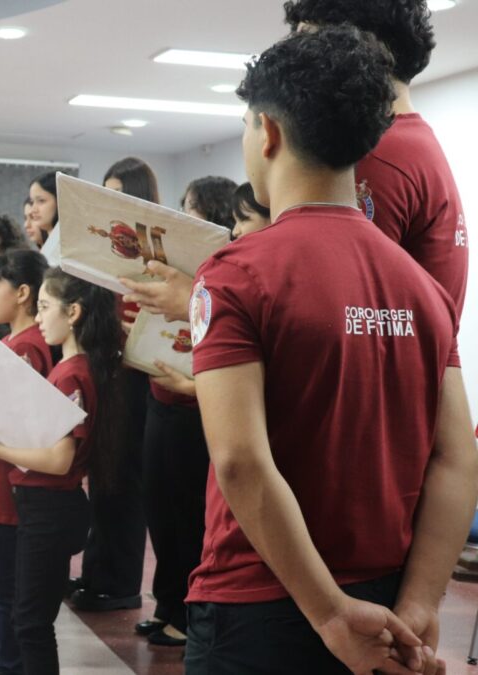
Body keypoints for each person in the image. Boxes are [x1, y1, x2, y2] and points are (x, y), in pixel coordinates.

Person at [185, 25, 475, 674]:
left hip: (263, 600)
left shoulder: (236, 272)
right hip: (387, 605)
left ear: (267, 133)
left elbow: (240, 462)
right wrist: (422, 602)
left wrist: (329, 613)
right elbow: (456, 456)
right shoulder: (423, 290)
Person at [0, 268, 121, 675]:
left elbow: (59, 460)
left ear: (73, 312)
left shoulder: (72, 372)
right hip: (45, 506)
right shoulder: (70, 366)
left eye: (45, 308)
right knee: (29, 618)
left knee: (31, 623)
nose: (37, 319)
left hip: (50, 507)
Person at [283, 0, 468, 316]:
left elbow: (340, 309)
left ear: (365, 47)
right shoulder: (411, 141)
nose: (299, 59)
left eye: (310, 41)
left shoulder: (377, 152)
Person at [134, 175, 236, 648]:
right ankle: (166, 601)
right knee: (159, 508)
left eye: (191, 209)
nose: (183, 216)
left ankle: (188, 612)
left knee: (189, 516)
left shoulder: (223, 270)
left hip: (196, 405)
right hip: (161, 399)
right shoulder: (173, 263)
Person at [68, 159, 157, 612]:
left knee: (122, 483)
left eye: (119, 192)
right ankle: (96, 574)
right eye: (106, 192)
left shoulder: (155, 251)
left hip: (140, 380)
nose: (111, 201)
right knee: (101, 479)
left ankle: (121, 583)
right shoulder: (105, 245)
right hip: (106, 371)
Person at [0, 248, 54, 675]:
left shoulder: (30, 347)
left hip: (10, 486)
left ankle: (9, 666)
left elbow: (21, 420)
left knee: (6, 593)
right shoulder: (9, 341)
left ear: (23, 293)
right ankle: (4, 661)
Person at [28, 173, 62, 265]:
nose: (33, 210)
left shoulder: (68, 250)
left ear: (60, 200)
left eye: (41, 201)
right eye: (32, 202)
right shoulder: (47, 247)